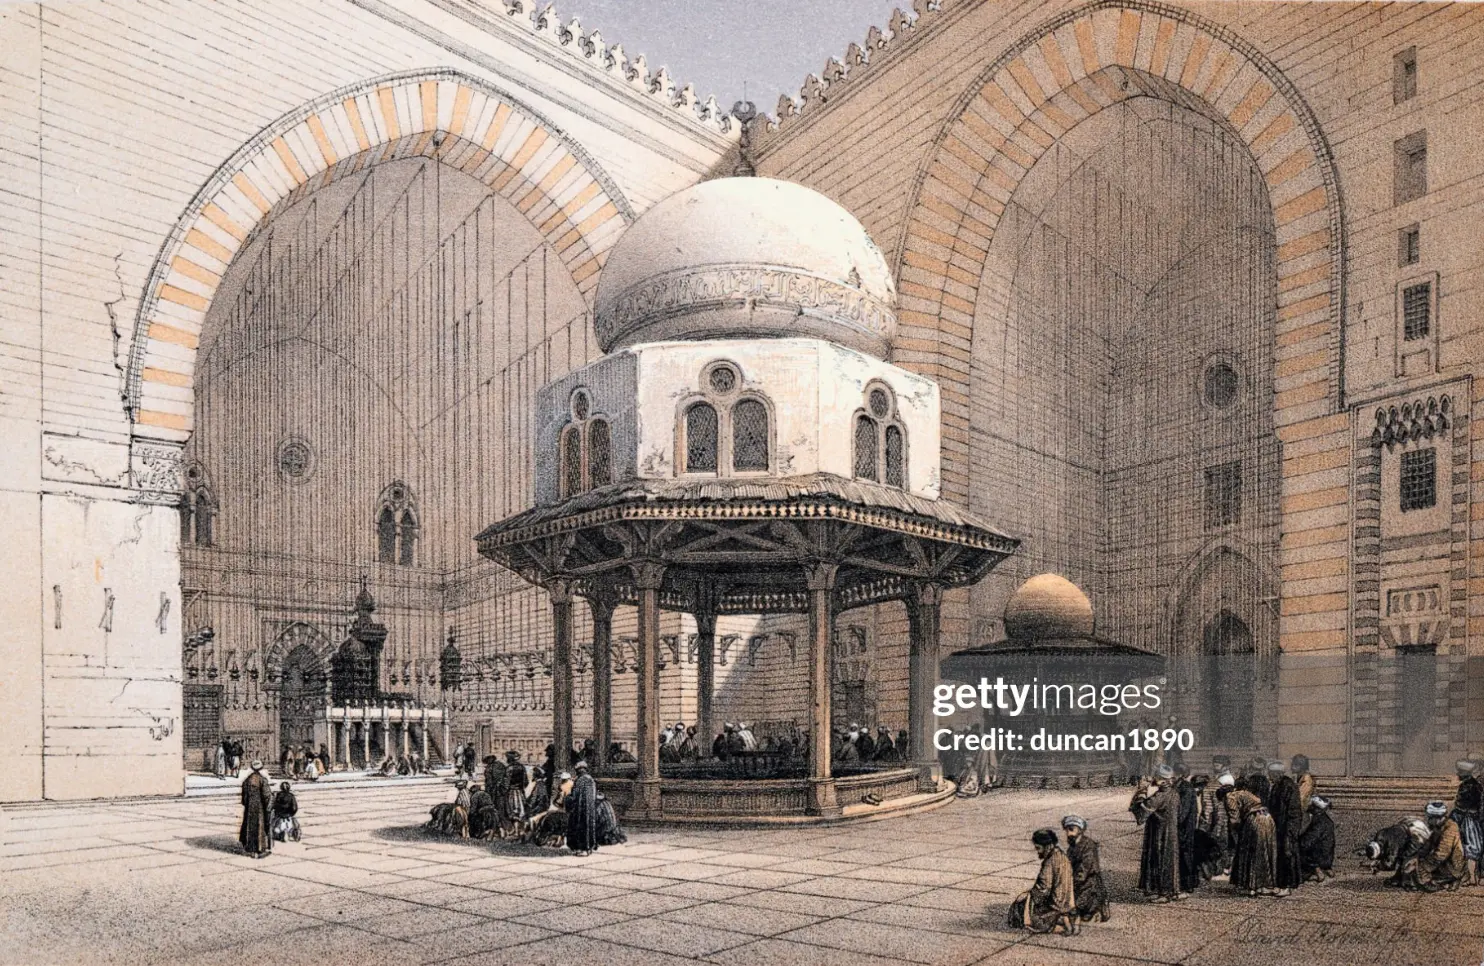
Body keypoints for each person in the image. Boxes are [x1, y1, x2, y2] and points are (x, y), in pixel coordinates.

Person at [1008, 829, 1077, 934]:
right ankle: (1064, 919)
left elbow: (1043, 888)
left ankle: (1058, 925)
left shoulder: (1050, 862)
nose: (1038, 852)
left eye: (1038, 848)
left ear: (1048, 846)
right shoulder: (1062, 856)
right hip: (1067, 903)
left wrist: (1027, 896)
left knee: (1019, 910)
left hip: (1055, 904)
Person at [1133, 764, 1181, 901]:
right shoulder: (1174, 793)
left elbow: (1143, 809)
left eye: (1156, 777)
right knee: (1171, 861)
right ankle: (1172, 890)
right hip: (1171, 830)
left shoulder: (1160, 795)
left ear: (1162, 779)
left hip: (1161, 832)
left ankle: (1164, 894)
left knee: (1161, 860)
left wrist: (1141, 792)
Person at [1225, 780, 1276, 896]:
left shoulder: (1230, 796)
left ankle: (1253, 886)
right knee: (1266, 851)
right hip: (1268, 819)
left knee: (1254, 852)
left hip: (1255, 820)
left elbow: (1234, 819)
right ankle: (1264, 885)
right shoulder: (1249, 794)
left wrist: (1235, 831)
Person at [1403, 801, 1467, 891]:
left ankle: (1450, 881)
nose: (1428, 820)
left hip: (1452, 867)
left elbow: (1441, 854)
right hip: (1442, 864)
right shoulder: (1438, 827)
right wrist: (1415, 858)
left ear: (1437, 818)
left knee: (1423, 881)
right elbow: (1427, 846)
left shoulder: (1450, 828)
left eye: (1429, 818)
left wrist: (1422, 867)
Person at [1265, 759, 1303, 896]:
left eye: (1270, 774)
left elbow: (1294, 812)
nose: (1268, 776)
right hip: (1279, 827)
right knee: (1279, 857)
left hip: (1287, 827)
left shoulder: (1288, 786)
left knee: (1287, 856)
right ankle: (1279, 884)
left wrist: (1291, 831)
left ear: (1276, 774)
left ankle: (1287, 886)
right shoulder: (1277, 786)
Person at [1062, 815, 1108, 923]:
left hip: (1089, 883)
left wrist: (1069, 883)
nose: (1068, 833)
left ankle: (1096, 909)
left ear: (1080, 830)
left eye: (1072, 829)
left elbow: (1083, 871)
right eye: (1067, 830)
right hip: (1077, 882)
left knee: (1076, 908)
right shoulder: (1072, 846)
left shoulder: (1089, 846)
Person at [1451, 759, 1481, 886]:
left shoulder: (1466, 786)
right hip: (1472, 820)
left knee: (1468, 848)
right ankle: (1471, 877)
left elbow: (1461, 804)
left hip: (1467, 821)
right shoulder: (1476, 784)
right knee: (1470, 849)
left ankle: (1471, 877)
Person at [1174, 763, 1201, 894]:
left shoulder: (1186, 789)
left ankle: (1188, 884)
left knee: (1185, 854)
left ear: (1179, 775)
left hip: (1185, 827)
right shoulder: (1182, 787)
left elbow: (1182, 813)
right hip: (1184, 826)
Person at [565, 760, 600, 856]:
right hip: (589, 808)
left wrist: (567, 798)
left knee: (580, 827)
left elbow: (574, 796)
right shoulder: (590, 779)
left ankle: (582, 848)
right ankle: (588, 848)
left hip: (580, 808)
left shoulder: (580, 780)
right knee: (589, 827)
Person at [238, 760, 272, 858]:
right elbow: (267, 796)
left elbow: (244, 797)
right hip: (259, 807)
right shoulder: (262, 780)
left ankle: (250, 849)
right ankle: (260, 850)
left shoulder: (247, 780)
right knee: (259, 826)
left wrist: (247, 803)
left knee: (249, 825)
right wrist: (268, 806)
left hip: (249, 807)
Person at [1299, 794, 1335, 881]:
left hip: (1319, 857)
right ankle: (1327, 869)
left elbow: (1308, 841)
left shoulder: (1319, 822)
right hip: (1328, 857)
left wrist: (1298, 842)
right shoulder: (1326, 820)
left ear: (1317, 809)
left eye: (1312, 806)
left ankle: (1316, 870)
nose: (1310, 807)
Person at [501, 750, 528, 839]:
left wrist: (503, 791)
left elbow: (506, 782)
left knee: (513, 810)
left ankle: (516, 832)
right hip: (520, 792)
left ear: (510, 759)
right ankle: (518, 830)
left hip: (512, 792)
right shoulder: (522, 767)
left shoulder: (509, 768)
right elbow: (526, 781)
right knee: (520, 810)